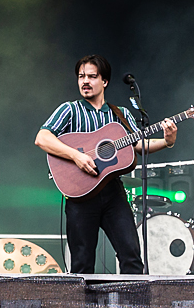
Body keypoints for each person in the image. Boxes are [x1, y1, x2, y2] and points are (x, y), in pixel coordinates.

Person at [34, 54, 177, 274]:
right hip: (80, 194)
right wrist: (76, 156)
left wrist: (167, 142)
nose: (85, 81)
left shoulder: (120, 113)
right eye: (81, 76)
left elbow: (137, 145)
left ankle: (132, 296)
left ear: (105, 81)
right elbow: (42, 138)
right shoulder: (69, 110)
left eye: (92, 76)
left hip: (113, 193)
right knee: (82, 264)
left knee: (131, 256)